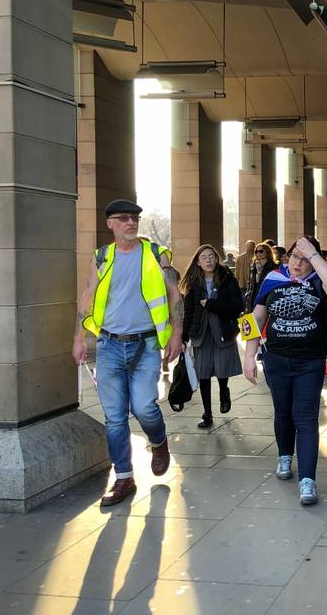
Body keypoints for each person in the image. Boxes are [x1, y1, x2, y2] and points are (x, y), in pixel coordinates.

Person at [73, 199, 182, 507]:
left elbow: (174, 294)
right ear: (110, 224)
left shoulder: (156, 255)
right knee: (115, 418)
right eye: (123, 218)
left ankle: (159, 443)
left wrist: (177, 333)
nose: (131, 223)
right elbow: (88, 296)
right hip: (108, 345)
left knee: (145, 408)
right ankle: (124, 477)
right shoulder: (102, 257)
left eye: (134, 218)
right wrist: (79, 337)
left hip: (146, 345)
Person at [243, 235, 327, 506]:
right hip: (277, 359)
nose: (297, 263)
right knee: (283, 412)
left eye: (304, 258)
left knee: (306, 418)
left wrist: (313, 256)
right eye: (294, 256)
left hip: (310, 362)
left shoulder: (319, 281)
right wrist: (249, 356)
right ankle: (285, 456)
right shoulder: (273, 279)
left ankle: (308, 481)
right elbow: (257, 318)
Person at [180, 245, 245, 428]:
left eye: (211, 256)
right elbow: (189, 312)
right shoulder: (194, 284)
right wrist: (184, 337)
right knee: (203, 373)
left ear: (217, 259)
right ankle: (207, 413)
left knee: (222, 369)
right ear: (198, 262)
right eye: (204, 258)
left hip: (222, 331)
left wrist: (212, 304)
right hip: (201, 333)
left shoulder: (227, 280)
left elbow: (236, 306)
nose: (208, 260)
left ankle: (224, 390)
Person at [246, 242, 276, 312]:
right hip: (252, 299)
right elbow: (251, 284)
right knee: (251, 322)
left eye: (261, 251)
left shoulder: (273, 266)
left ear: (267, 252)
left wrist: (260, 272)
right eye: (256, 251)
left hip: (265, 299)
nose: (258, 254)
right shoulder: (253, 266)